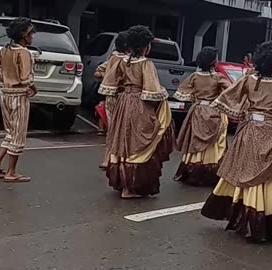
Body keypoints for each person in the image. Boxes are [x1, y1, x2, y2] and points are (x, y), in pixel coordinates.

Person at [201, 41, 272, 243]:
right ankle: (259, 220)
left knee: (244, 171)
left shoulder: (248, 80)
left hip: (249, 131)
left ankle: (242, 218)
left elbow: (225, 99)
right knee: (268, 177)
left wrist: (244, 113)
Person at [106, 25, 174, 199]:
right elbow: (152, 90)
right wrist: (163, 94)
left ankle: (124, 185)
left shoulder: (122, 61)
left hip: (124, 103)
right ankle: (131, 187)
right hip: (139, 104)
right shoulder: (146, 64)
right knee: (140, 141)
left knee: (124, 141)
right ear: (145, 46)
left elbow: (111, 84)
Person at [0, 17, 37, 182]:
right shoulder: (25, 53)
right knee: (18, 135)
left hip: (5, 94)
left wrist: (5, 80)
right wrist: (32, 87)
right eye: (31, 34)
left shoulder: (4, 50)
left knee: (10, 132)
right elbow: (26, 78)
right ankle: (11, 172)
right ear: (24, 35)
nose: (33, 37)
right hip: (19, 96)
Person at [173, 47, 231, 186]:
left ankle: (193, 170)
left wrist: (195, 98)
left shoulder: (194, 76)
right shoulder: (218, 77)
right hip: (213, 111)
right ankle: (210, 172)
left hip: (198, 110)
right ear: (213, 61)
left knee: (195, 140)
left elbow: (181, 92)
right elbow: (231, 90)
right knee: (215, 143)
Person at [95, 30, 130, 169]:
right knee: (121, 130)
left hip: (110, 97)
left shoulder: (112, 59)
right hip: (122, 97)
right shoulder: (126, 61)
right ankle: (115, 159)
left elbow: (97, 71)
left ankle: (107, 159)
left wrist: (106, 79)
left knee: (112, 130)